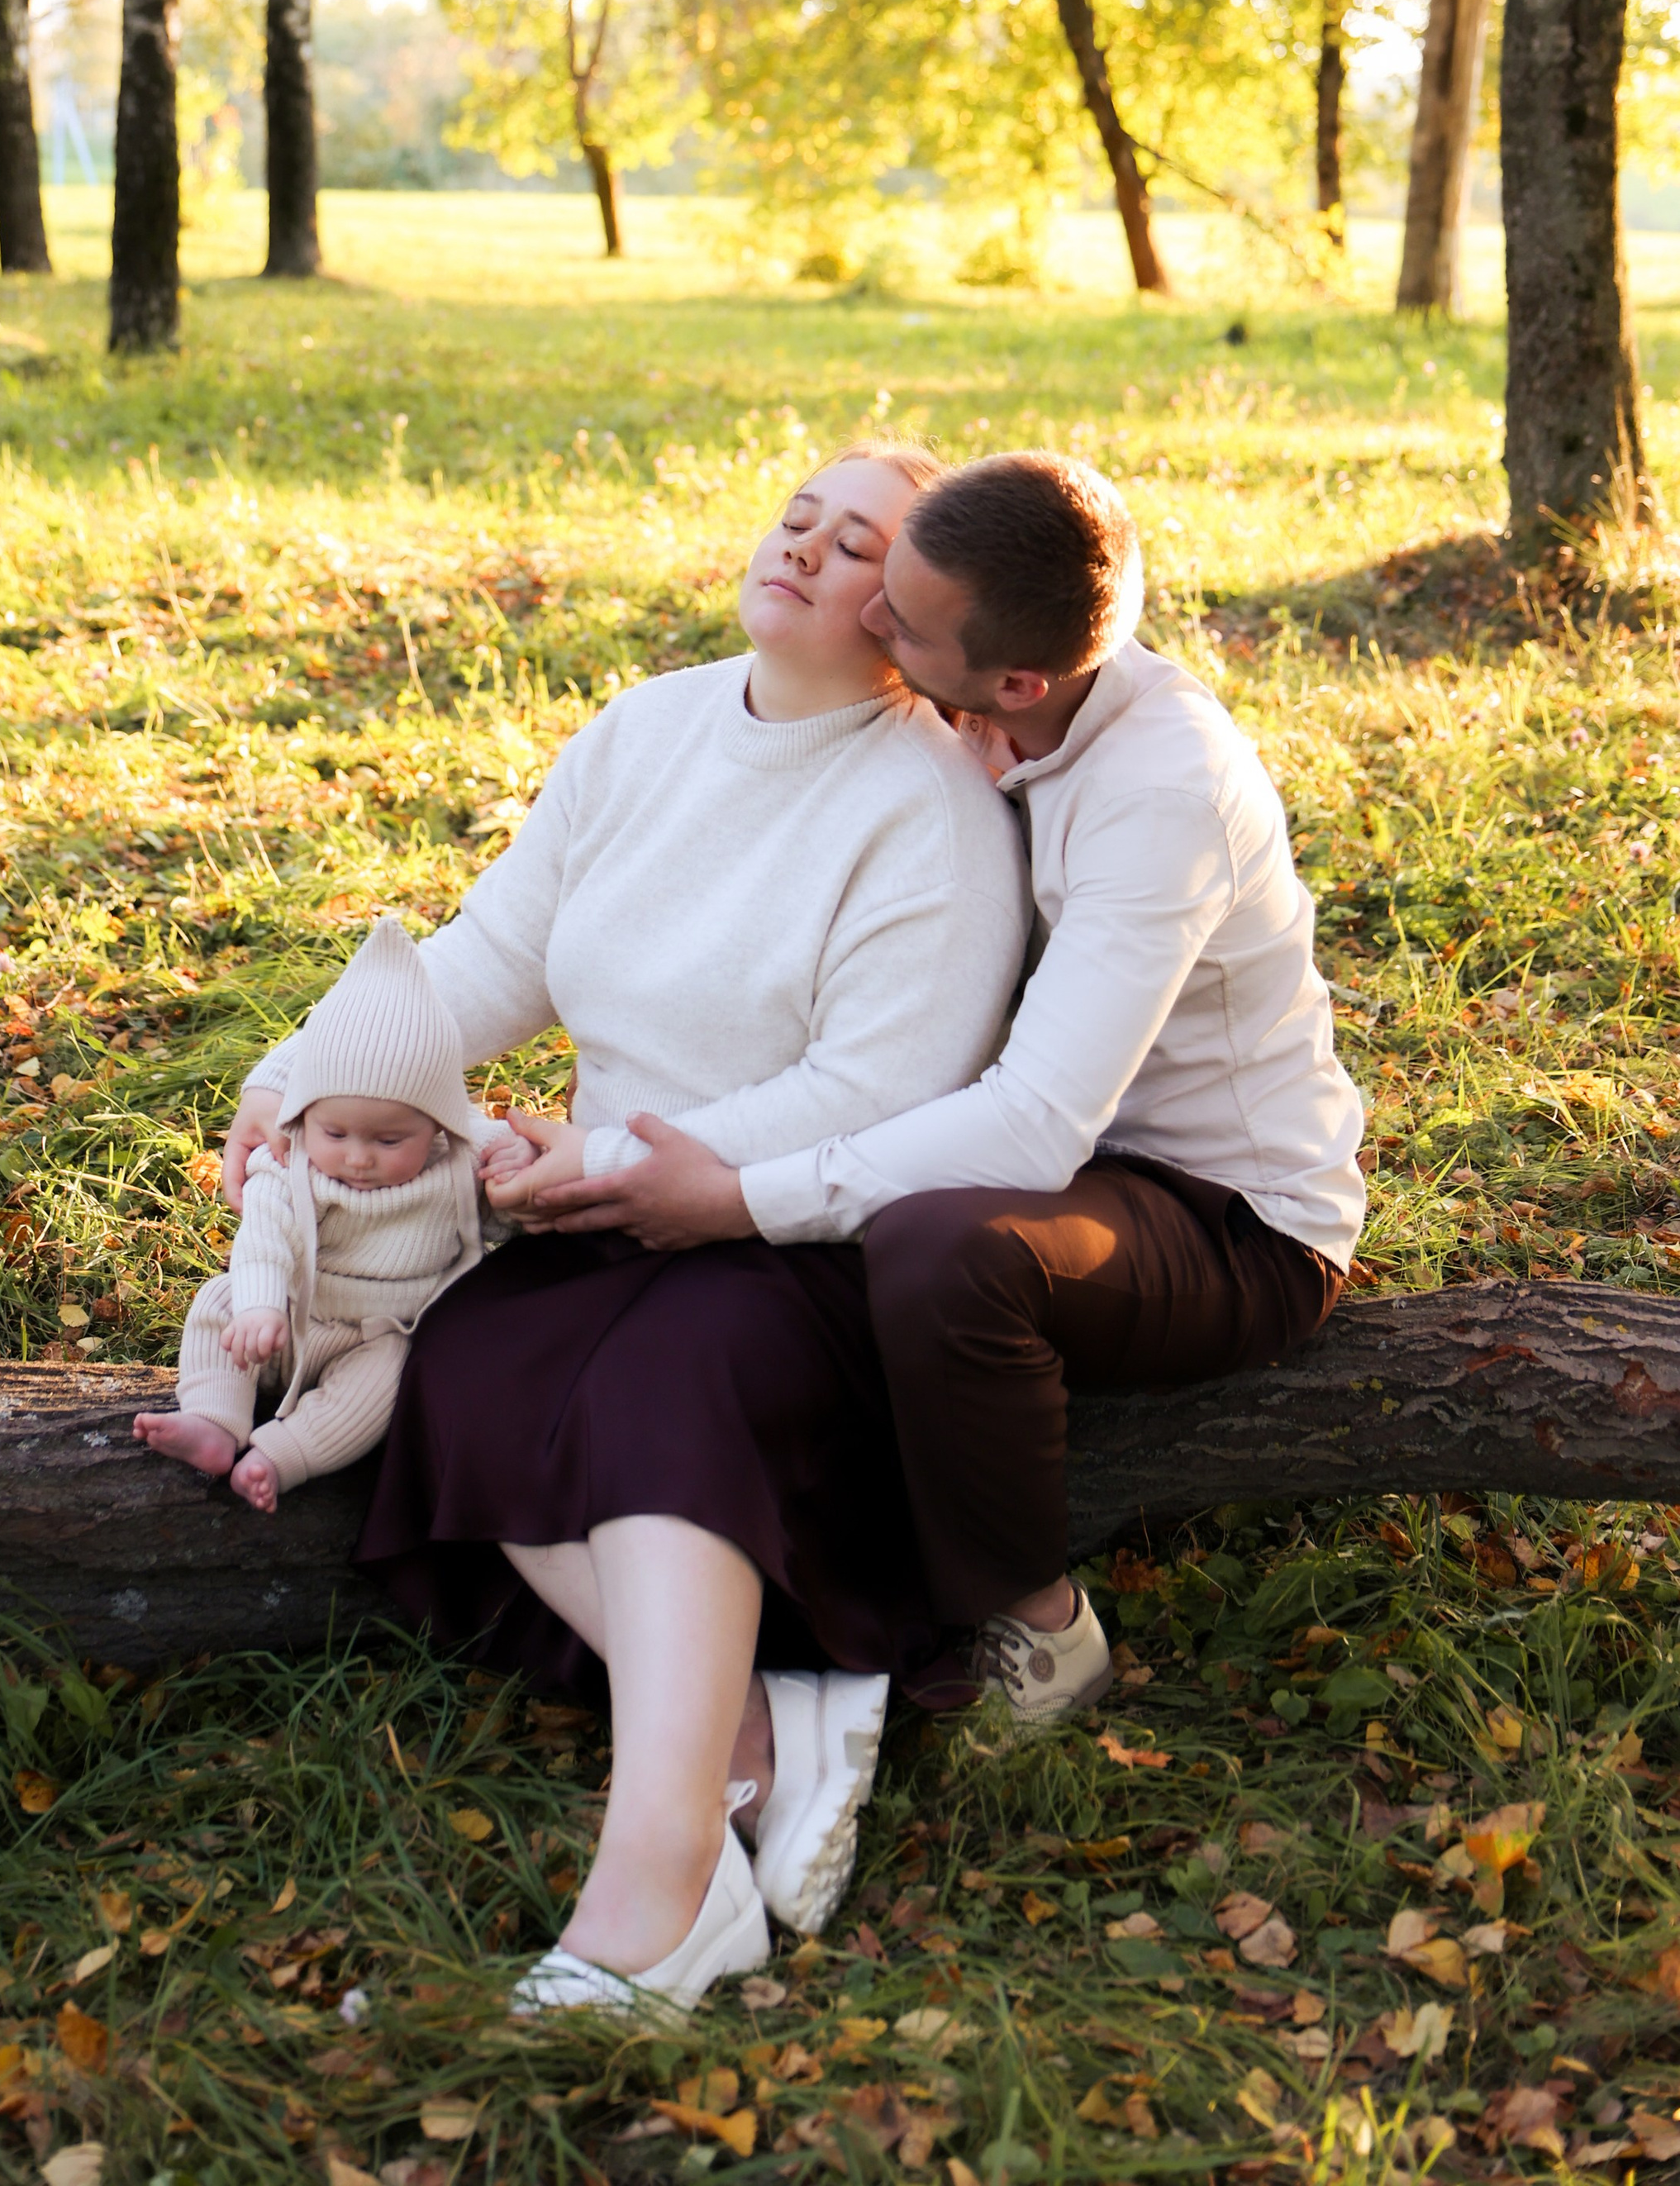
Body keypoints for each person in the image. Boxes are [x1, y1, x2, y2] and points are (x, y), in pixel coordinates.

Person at [221, 442, 1031, 2012]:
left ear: (918, 612)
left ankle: (660, 1887)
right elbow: (491, 957)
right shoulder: (648, 730)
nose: (801, 548)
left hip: (814, 1246)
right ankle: (755, 1733)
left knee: (672, 1380)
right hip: (602, 1218)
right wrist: (296, 1074)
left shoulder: (926, 812)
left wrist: (608, 1152)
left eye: (855, 542)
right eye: (797, 514)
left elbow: (883, 1088)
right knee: (455, 1362)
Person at [539, 448, 1365, 1728]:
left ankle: (1040, 1626)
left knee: (938, 1245)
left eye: (904, 625)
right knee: (856, 1251)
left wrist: (745, 1196)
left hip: (1225, 1216)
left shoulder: (1161, 795)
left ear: (1017, 678)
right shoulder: (1019, 701)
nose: (871, 617)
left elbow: (1033, 1128)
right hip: (1085, 1162)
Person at [133, 917, 490, 1510]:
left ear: (438, 1128)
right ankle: (215, 1421)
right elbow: (263, 1240)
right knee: (219, 1300)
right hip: (282, 1319)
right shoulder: (289, 1163)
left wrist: (518, 1183)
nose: (357, 1157)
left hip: (373, 1335)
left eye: (389, 1140)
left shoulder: (459, 1168)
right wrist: (260, 1303)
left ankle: (285, 1454)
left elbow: (510, 1216)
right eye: (335, 1131)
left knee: (391, 1375)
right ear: (304, 1113)